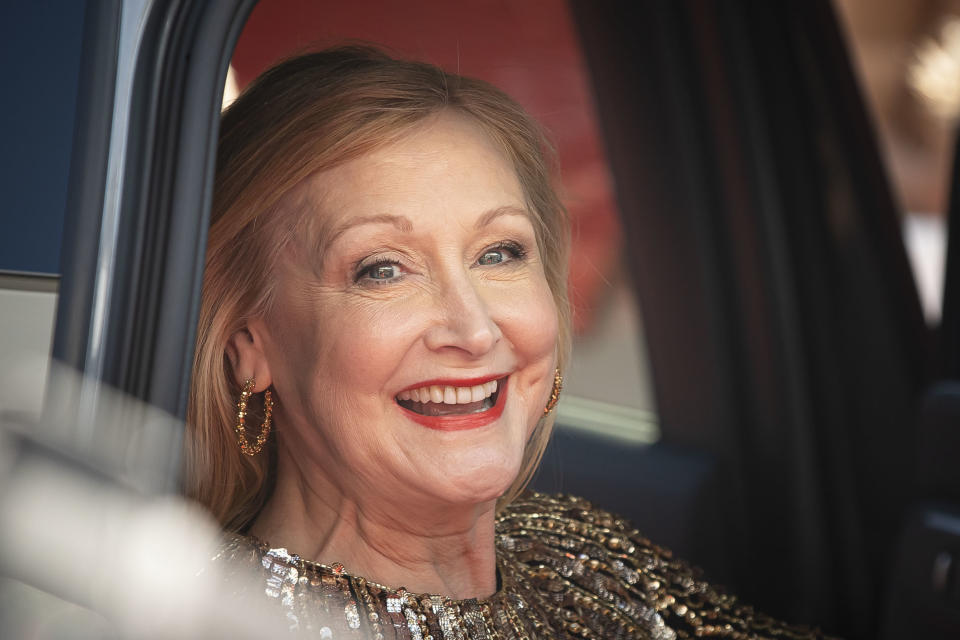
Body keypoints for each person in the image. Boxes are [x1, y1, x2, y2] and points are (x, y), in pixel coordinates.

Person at [185, 46, 833, 639]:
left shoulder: (584, 553)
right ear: (250, 343)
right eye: (382, 269)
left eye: (500, 253)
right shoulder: (199, 616)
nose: (475, 330)